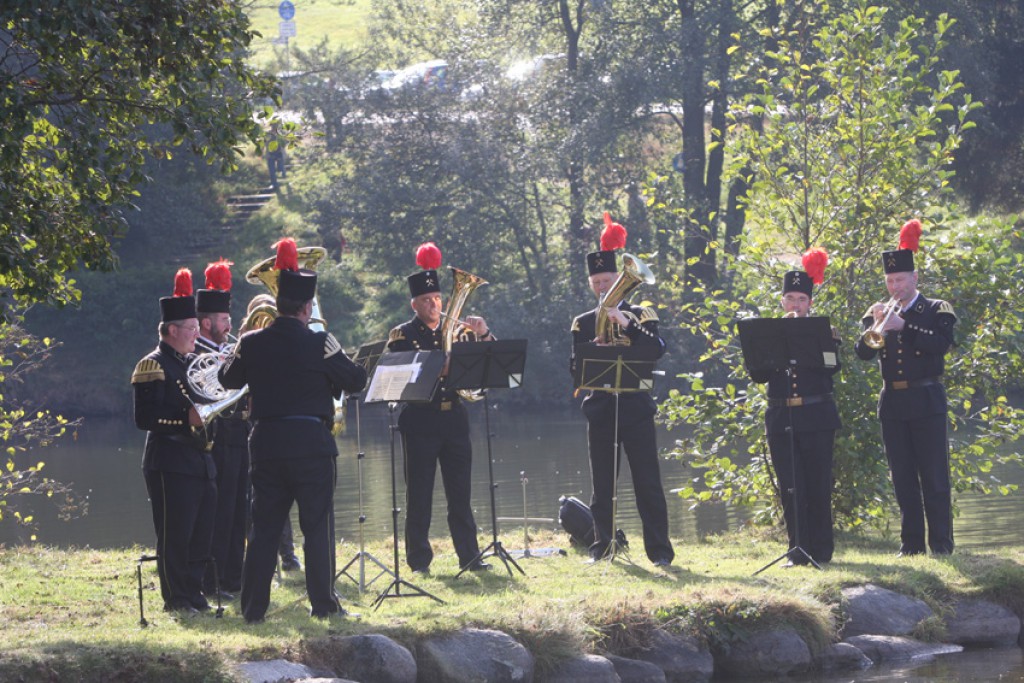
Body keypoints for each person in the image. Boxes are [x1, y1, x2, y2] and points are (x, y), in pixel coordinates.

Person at [219, 238, 367, 622]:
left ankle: (253, 610)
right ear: (306, 307)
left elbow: (227, 379)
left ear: (278, 305)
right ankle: (324, 605)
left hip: (266, 445)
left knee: (265, 529)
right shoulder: (320, 342)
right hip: (312, 446)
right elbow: (355, 381)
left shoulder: (251, 341)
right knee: (317, 529)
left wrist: (242, 344)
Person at [569, 213, 674, 567]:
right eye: (597, 281)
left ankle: (660, 552)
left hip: (636, 408)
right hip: (600, 408)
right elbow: (575, 369)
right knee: (603, 487)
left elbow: (656, 349)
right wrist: (595, 353)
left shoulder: (641, 314)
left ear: (619, 279)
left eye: (607, 280)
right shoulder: (582, 322)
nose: (602, 286)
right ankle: (603, 547)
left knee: (648, 483)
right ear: (591, 284)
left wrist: (626, 326)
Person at [386, 242, 493, 574]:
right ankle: (419, 562)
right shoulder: (402, 334)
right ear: (414, 304)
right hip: (419, 420)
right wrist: (439, 367)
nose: (434, 305)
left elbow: (488, 366)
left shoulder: (460, 331)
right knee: (419, 495)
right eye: (427, 301)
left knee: (460, 493)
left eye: (437, 300)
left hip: (454, 418)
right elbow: (401, 376)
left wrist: (483, 333)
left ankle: (470, 556)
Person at [854, 219, 957, 557]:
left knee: (934, 476)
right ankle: (911, 544)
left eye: (900, 279)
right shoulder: (878, 312)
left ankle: (941, 545)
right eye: (890, 280)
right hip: (894, 401)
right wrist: (877, 322)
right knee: (902, 477)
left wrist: (905, 326)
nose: (895, 286)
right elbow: (863, 354)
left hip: (926, 398)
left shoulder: (936, 308)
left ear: (915, 279)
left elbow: (943, 344)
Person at [131, 268, 217, 615]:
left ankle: (194, 592)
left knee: (201, 530)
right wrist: (185, 419)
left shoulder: (193, 363)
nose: (198, 335)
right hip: (168, 459)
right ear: (171, 331)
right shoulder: (150, 365)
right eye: (192, 330)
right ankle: (176, 599)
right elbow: (145, 419)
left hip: (199, 458)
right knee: (175, 533)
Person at [748, 248, 841, 567]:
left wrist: (827, 343)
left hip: (817, 416)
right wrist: (769, 347)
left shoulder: (823, 331)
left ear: (810, 303)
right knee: (791, 486)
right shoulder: (767, 334)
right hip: (780, 416)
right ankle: (797, 549)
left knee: (818, 483)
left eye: (802, 299)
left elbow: (831, 368)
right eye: (790, 298)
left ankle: (823, 550)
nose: (796, 305)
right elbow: (758, 375)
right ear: (782, 301)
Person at [195, 259, 249, 598]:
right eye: (224, 319)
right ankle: (213, 580)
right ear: (205, 322)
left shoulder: (230, 349)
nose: (230, 324)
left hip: (241, 436)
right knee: (220, 511)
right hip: (216, 439)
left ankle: (234, 578)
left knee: (239, 511)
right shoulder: (197, 354)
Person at [239, 292, 302, 573]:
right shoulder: (246, 345)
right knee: (256, 497)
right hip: (247, 424)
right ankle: (259, 556)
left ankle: (287, 554)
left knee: (280, 494)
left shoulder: (283, 344)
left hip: (275, 423)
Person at [265, 123, 286, 189]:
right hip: (270, 153)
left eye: (275, 125)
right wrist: (267, 153)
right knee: (271, 170)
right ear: (271, 125)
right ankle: (274, 184)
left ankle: (283, 173)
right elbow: (266, 143)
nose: (274, 126)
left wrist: (283, 153)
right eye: (273, 125)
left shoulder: (280, 133)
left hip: (278, 153)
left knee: (280, 168)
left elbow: (283, 144)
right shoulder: (268, 133)